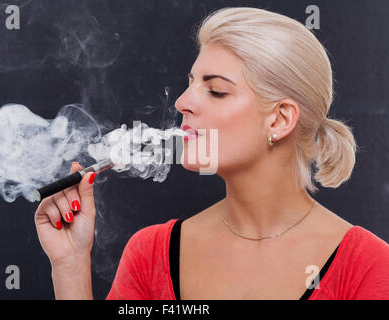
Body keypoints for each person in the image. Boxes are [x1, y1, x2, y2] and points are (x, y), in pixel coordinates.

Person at [34, 7, 389, 300]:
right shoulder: (151, 254)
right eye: (191, 83)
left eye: (216, 90)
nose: (183, 102)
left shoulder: (367, 267)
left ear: (280, 120)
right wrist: (70, 266)